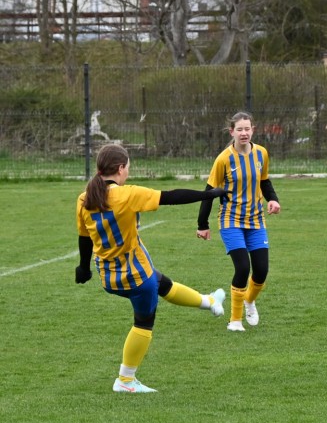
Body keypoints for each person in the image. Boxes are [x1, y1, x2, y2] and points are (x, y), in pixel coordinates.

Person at [75, 143, 227, 393]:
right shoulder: (127, 194)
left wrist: (83, 268)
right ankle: (125, 380)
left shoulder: (83, 198)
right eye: (128, 167)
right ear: (120, 168)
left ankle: (209, 302)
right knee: (143, 323)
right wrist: (209, 194)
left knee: (163, 284)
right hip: (135, 275)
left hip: (109, 275)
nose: (128, 172)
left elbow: (84, 238)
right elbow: (171, 196)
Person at [197, 112, 280, 332]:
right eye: (240, 129)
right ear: (231, 131)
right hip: (230, 220)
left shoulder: (261, 153)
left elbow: (264, 181)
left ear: (253, 130)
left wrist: (273, 199)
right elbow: (209, 193)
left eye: (247, 129)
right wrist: (202, 225)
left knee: (261, 271)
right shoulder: (223, 159)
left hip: (256, 220)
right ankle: (235, 321)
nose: (244, 133)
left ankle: (249, 301)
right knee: (243, 268)